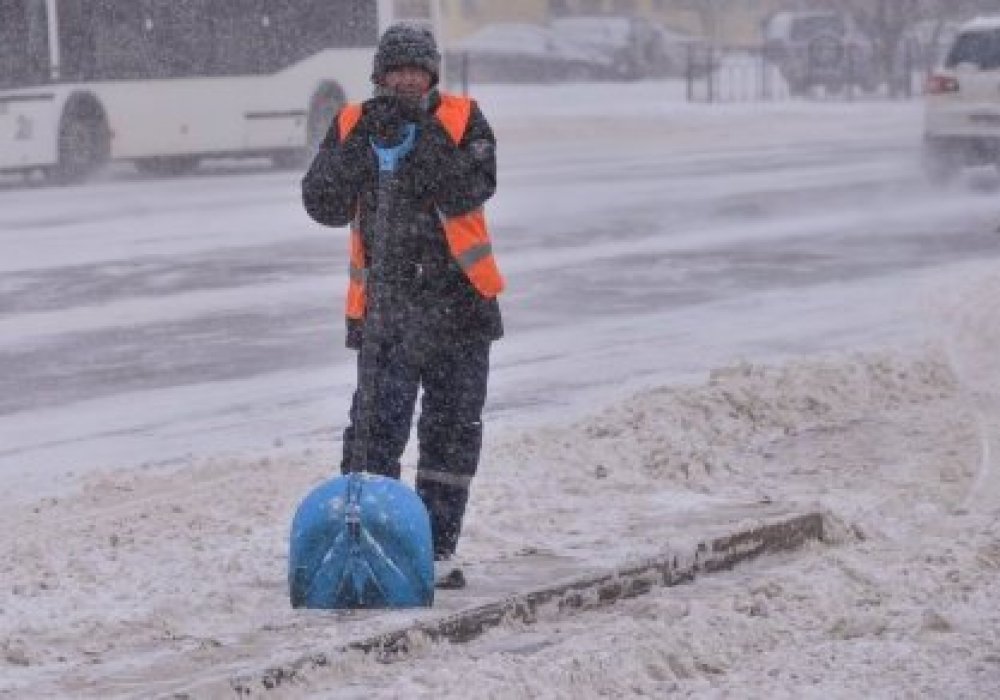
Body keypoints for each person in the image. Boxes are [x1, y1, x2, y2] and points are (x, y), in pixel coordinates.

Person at [301, 24, 504, 587]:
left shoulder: (465, 119)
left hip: (460, 308)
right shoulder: (353, 123)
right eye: (397, 70)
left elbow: (470, 188)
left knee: (451, 433)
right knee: (374, 431)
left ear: (433, 73)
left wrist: (424, 134)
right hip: (387, 312)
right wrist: (361, 150)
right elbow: (321, 202)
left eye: (418, 69)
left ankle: (436, 549)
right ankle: (367, 539)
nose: (408, 78)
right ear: (380, 75)